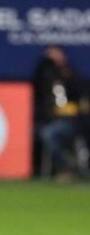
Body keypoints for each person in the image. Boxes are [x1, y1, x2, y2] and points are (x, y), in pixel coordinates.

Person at [33, 45, 87, 178]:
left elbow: (82, 96)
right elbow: (38, 89)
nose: (53, 56)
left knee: (49, 134)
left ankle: (70, 165)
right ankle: (67, 164)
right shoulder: (44, 73)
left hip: (70, 121)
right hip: (49, 119)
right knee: (42, 133)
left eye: (56, 53)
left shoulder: (71, 74)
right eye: (50, 53)